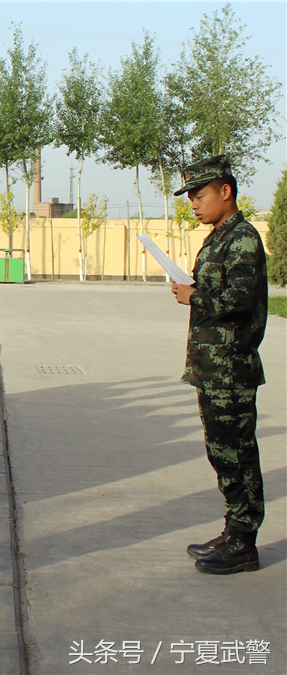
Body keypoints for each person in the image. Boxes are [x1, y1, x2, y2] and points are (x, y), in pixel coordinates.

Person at [171, 155, 268, 575]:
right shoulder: (217, 237)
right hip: (213, 368)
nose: (194, 203)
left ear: (225, 192)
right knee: (222, 452)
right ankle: (234, 530)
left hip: (231, 369)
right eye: (191, 196)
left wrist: (194, 297)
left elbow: (239, 301)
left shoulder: (242, 238)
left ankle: (244, 542)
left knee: (237, 452)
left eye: (200, 195)